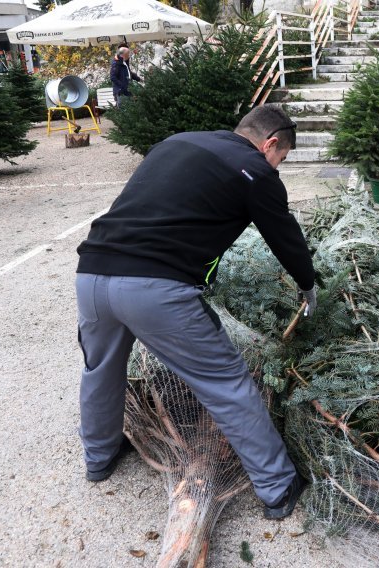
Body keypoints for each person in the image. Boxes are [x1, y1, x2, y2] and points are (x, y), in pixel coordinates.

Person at [75, 105, 313, 520]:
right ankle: (278, 487)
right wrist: (308, 283)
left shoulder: (176, 142)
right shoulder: (256, 171)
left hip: (92, 273)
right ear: (269, 143)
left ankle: (99, 458)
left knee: (100, 369)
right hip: (154, 288)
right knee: (225, 382)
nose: (278, 166)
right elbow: (284, 235)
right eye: (282, 158)